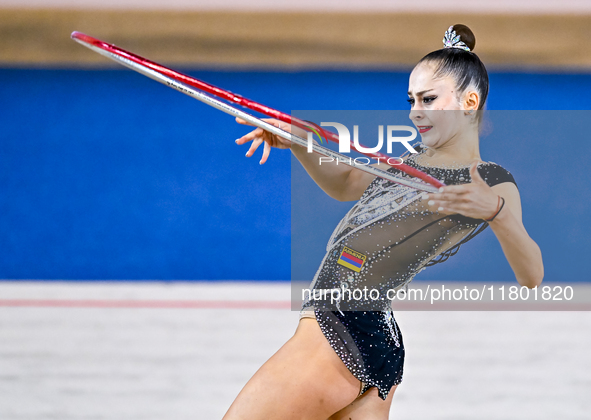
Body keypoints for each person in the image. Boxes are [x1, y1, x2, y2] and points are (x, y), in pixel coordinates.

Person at [224, 24, 544, 420]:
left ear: (469, 101)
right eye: (411, 99)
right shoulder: (408, 161)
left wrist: (497, 212)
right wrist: (299, 143)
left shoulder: (490, 179)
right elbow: (344, 184)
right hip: (372, 335)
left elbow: (532, 274)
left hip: (339, 327)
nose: (415, 111)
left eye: (428, 99)